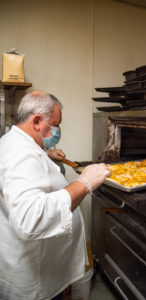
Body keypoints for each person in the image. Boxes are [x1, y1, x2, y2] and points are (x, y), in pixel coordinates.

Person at [0, 91, 110, 300]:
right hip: (35, 277)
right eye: (56, 124)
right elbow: (31, 217)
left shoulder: (13, 142)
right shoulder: (21, 154)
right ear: (37, 121)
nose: (58, 130)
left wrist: (45, 153)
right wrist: (84, 183)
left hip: (32, 264)